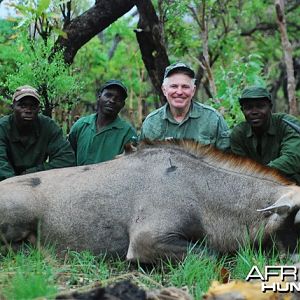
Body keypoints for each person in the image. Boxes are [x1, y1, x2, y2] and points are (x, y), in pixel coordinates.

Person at [140, 62, 230, 151]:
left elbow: (227, 160)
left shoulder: (213, 119)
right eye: (174, 86)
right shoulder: (151, 124)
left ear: (193, 90)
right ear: (164, 90)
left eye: (185, 87)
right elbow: (142, 160)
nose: (179, 92)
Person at [0, 85, 75, 181]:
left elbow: (67, 158)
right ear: (12, 107)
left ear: (39, 109)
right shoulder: (2, 127)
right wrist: (14, 182)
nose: (28, 111)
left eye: (33, 106)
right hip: (5, 183)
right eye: (22, 106)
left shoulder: (48, 125)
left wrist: (33, 172)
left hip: (37, 181)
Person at [230, 86, 300, 185]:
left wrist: (261, 173)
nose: (254, 112)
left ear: (270, 107)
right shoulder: (239, 133)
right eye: (249, 107)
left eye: (260, 106)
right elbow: (240, 169)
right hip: (254, 187)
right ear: (242, 110)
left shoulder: (287, 123)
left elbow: (293, 158)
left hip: (291, 185)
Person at [68, 80, 137, 165]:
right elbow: (68, 158)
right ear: (99, 97)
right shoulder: (81, 125)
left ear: (122, 105)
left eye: (118, 99)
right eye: (108, 95)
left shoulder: (128, 134)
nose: (112, 100)